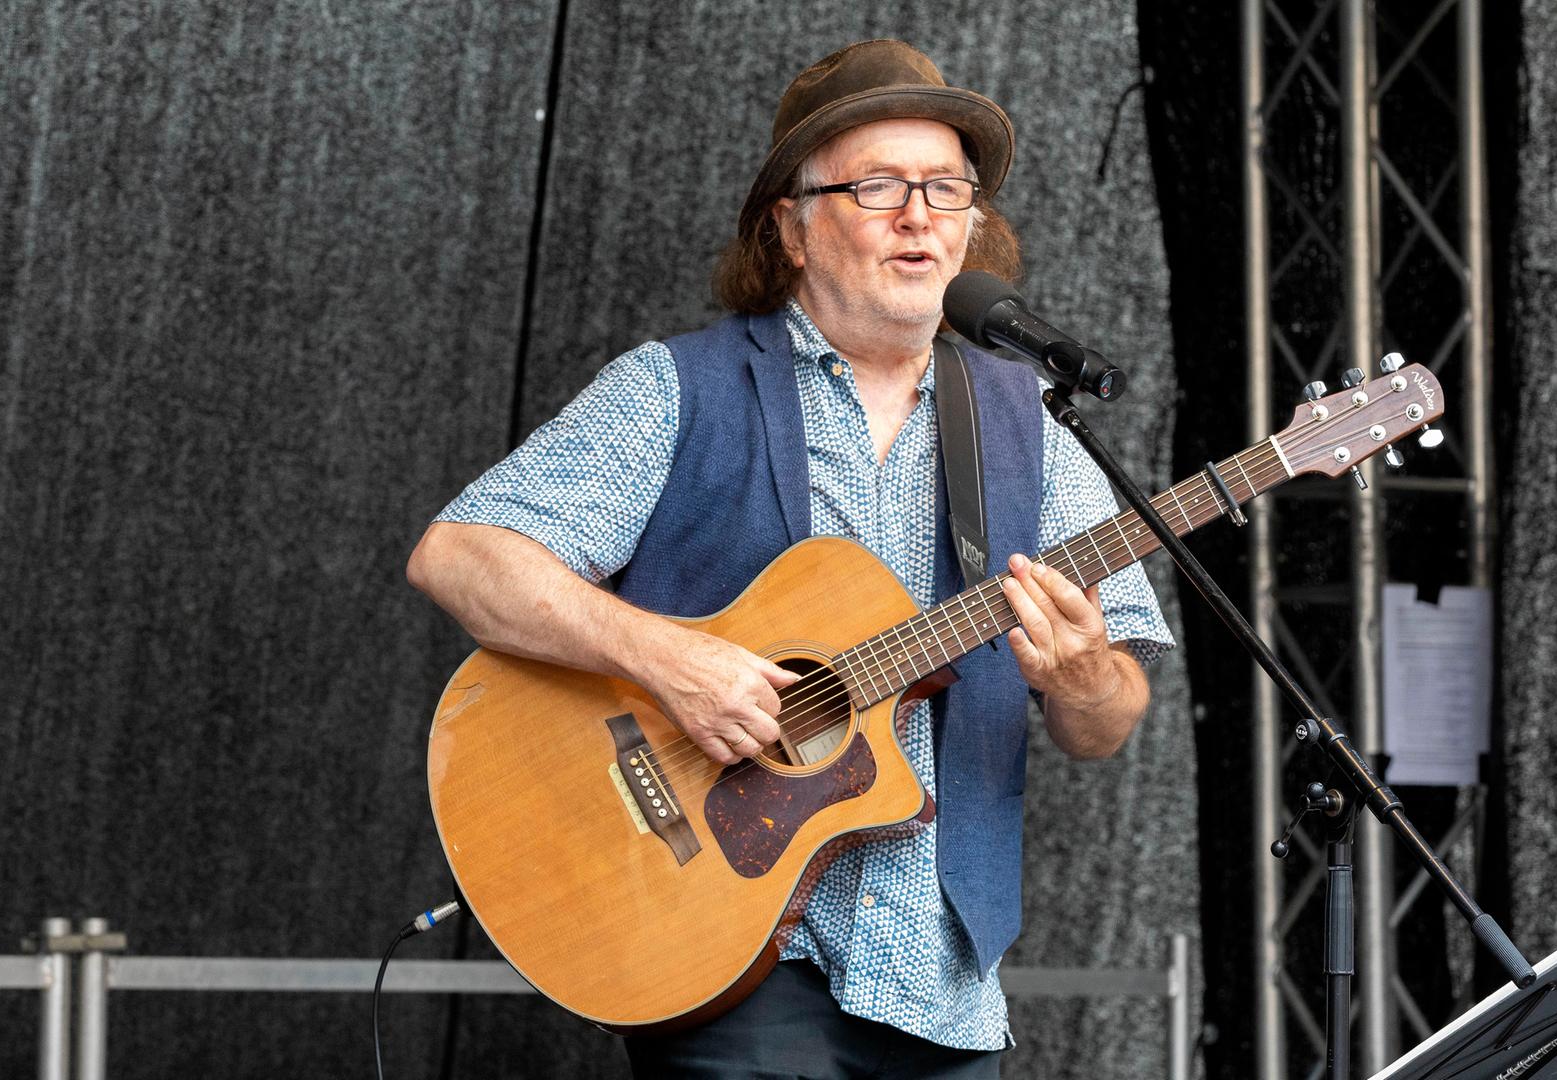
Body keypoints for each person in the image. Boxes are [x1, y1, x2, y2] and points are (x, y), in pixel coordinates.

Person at [406, 39, 1174, 1078]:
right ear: (791, 226)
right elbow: (461, 555)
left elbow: (1109, 717)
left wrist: (1082, 674)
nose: (921, 216)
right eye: (879, 185)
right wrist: (672, 663)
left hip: (944, 988)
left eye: (947, 190)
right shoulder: (676, 389)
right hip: (733, 962)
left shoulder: (1035, 425)